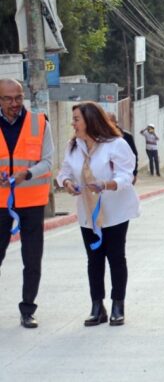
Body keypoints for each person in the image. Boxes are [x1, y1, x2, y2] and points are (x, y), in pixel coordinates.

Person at [57, 102, 139, 327]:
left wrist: (107, 184)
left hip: (115, 212)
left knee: (115, 257)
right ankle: (97, 306)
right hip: (87, 212)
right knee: (94, 259)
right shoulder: (73, 145)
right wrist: (66, 182)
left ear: (90, 120)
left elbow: (127, 175)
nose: (72, 123)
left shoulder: (116, 144)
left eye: (76, 119)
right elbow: (64, 170)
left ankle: (117, 305)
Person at [0, 79, 53, 329]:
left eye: (18, 98)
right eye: (8, 99)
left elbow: (48, 161)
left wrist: (27, 174)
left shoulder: (39, 123)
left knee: (32, 259)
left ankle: (28, 309)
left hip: (31, 201)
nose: (14, 104)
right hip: (0, 203)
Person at [108, 113, 138, 183]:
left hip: (124, 175)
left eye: (110, 121)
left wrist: (134, 173)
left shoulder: (126, 136)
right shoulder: (101, 138)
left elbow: (134, 155)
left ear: (115, 122)